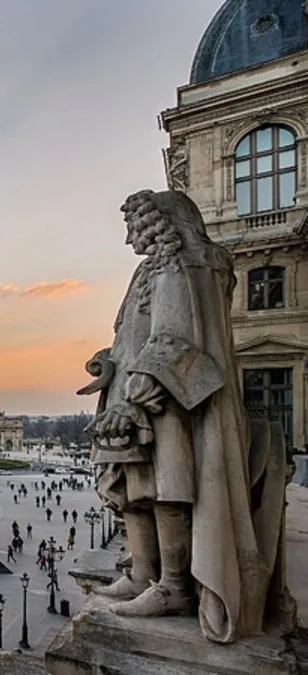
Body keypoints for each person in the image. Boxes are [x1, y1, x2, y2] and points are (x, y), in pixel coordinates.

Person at [80, 189, 295, 641]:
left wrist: (135, 393)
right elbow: (135, 336)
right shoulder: (153, 269)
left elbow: (174, 339)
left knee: (166, 489)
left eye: (136, 228)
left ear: (161, 223)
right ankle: (143, 573)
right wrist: (110, 363)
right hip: (134, 389)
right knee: (132, 487)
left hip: (168, 396)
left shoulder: (185, 265)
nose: (130, 239)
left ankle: (173, 585)